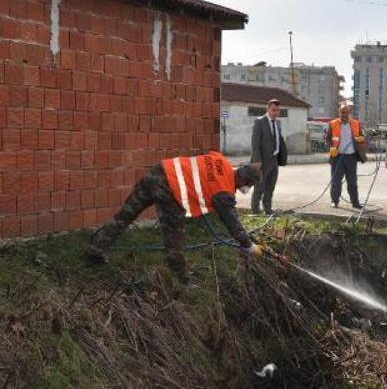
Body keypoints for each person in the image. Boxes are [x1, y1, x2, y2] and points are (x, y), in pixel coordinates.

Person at [87, 151, 263, 282]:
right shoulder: (224, 192)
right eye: (247, 186)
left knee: (124, 216)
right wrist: (248, 245)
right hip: (170, 192)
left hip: (158, 172)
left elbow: (200, 172)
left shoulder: (220, 159)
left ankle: (96, 249)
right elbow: (232, 223)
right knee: (175, 237)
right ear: (244, 182)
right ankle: (181, 279)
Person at [326, 103, 366, 209]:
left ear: (350, 113)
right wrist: (331, 147)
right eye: (342, 112)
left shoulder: (356, 124)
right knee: (336, 181)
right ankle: (335, 201)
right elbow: (328, 138)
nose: (344, 114)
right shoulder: (333, 124)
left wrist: (362, 140)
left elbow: (361, 137)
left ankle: (355, 202)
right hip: (337, 157)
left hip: (351, 157)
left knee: (352, 182)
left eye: (346, 112)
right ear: (339, 113)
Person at [250, 99, 287, 215]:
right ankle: (255, 211)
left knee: (270, 187)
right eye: (273, 110)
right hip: (262, 161)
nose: (276, 113)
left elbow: (278, 140)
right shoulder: (260, 122)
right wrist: (256, 161)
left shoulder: (277, 123)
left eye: (277, 110)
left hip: (274, 161)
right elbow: (254, 143)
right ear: (268, 109)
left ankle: (268, 210)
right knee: (259, 187)